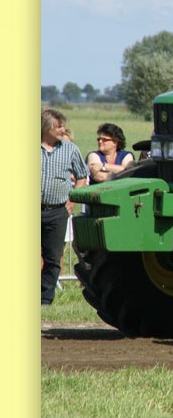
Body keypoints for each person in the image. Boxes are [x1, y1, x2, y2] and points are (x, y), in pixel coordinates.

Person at [41, 108, 88, 305]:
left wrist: (72, 201)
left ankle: (45, 300)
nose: (63, 130)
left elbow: (82, 176)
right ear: (46, 127)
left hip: (57, 211)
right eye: (58, 126)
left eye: (63, 126)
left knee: (53, 258)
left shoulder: (71, 150)